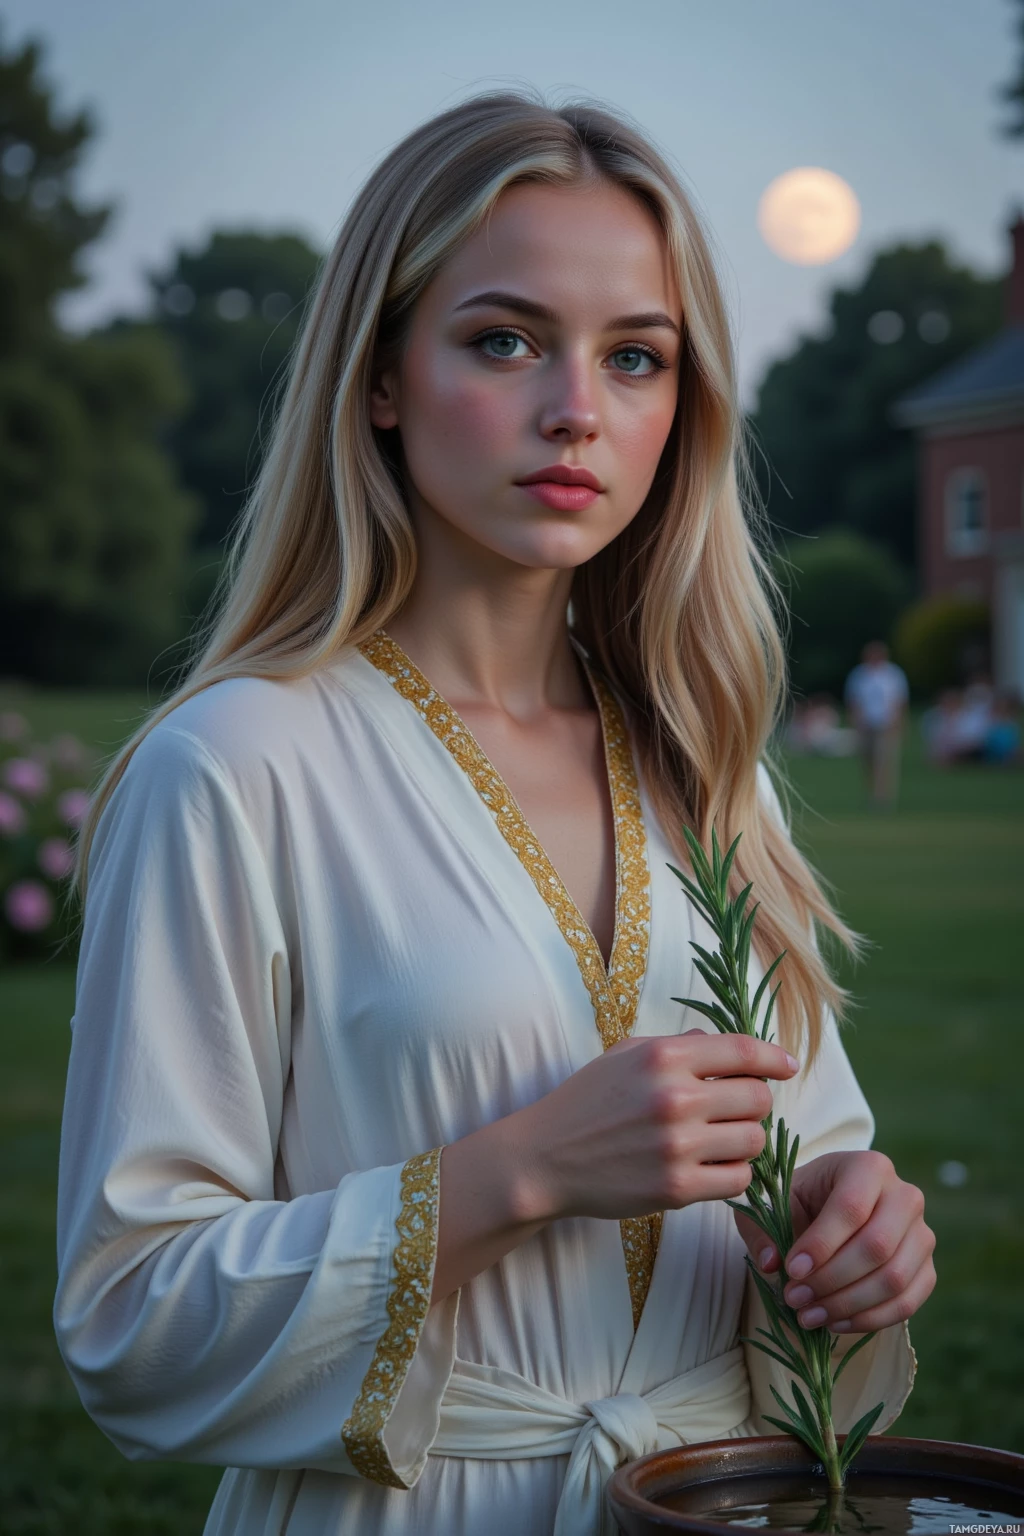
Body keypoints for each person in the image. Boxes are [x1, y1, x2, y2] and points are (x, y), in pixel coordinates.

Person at [53, 94, 933, 1536]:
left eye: (636, 357)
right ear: (382, 374)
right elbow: (130, 1321)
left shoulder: (709, 765)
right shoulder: (233, 769)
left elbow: (815, 1148)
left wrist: (856, 1231)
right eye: (505, 339)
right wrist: (520, 1171)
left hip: (712, 1504)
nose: (576, 408)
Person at [843, 641, 910, 808]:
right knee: (868, 761)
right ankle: (871, 792)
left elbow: (900, 701)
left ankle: (882, 798)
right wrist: (856, 721)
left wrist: (898, 722)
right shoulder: (859, 675)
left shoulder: (893, 674)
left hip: (886, 724)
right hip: (866, 725)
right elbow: (853, 701)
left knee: (884, 760)